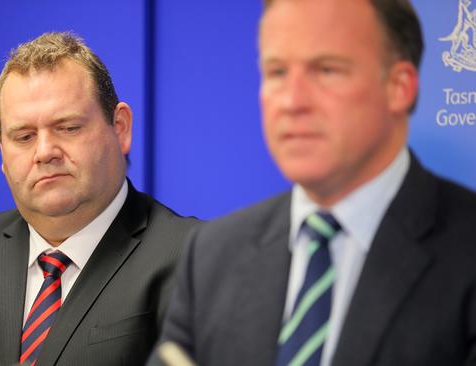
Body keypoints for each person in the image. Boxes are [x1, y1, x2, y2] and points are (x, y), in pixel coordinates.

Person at [151, 0, 476, 365]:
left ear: (399, 87)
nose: (292, 101)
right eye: (276, 72)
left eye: (326, 70)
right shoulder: (213, 254)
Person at [0, 32, 199, 366]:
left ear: (120, 128)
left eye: (68, 127)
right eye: (25, 136)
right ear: (1, 148)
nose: (45, 152)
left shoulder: (199, 261)